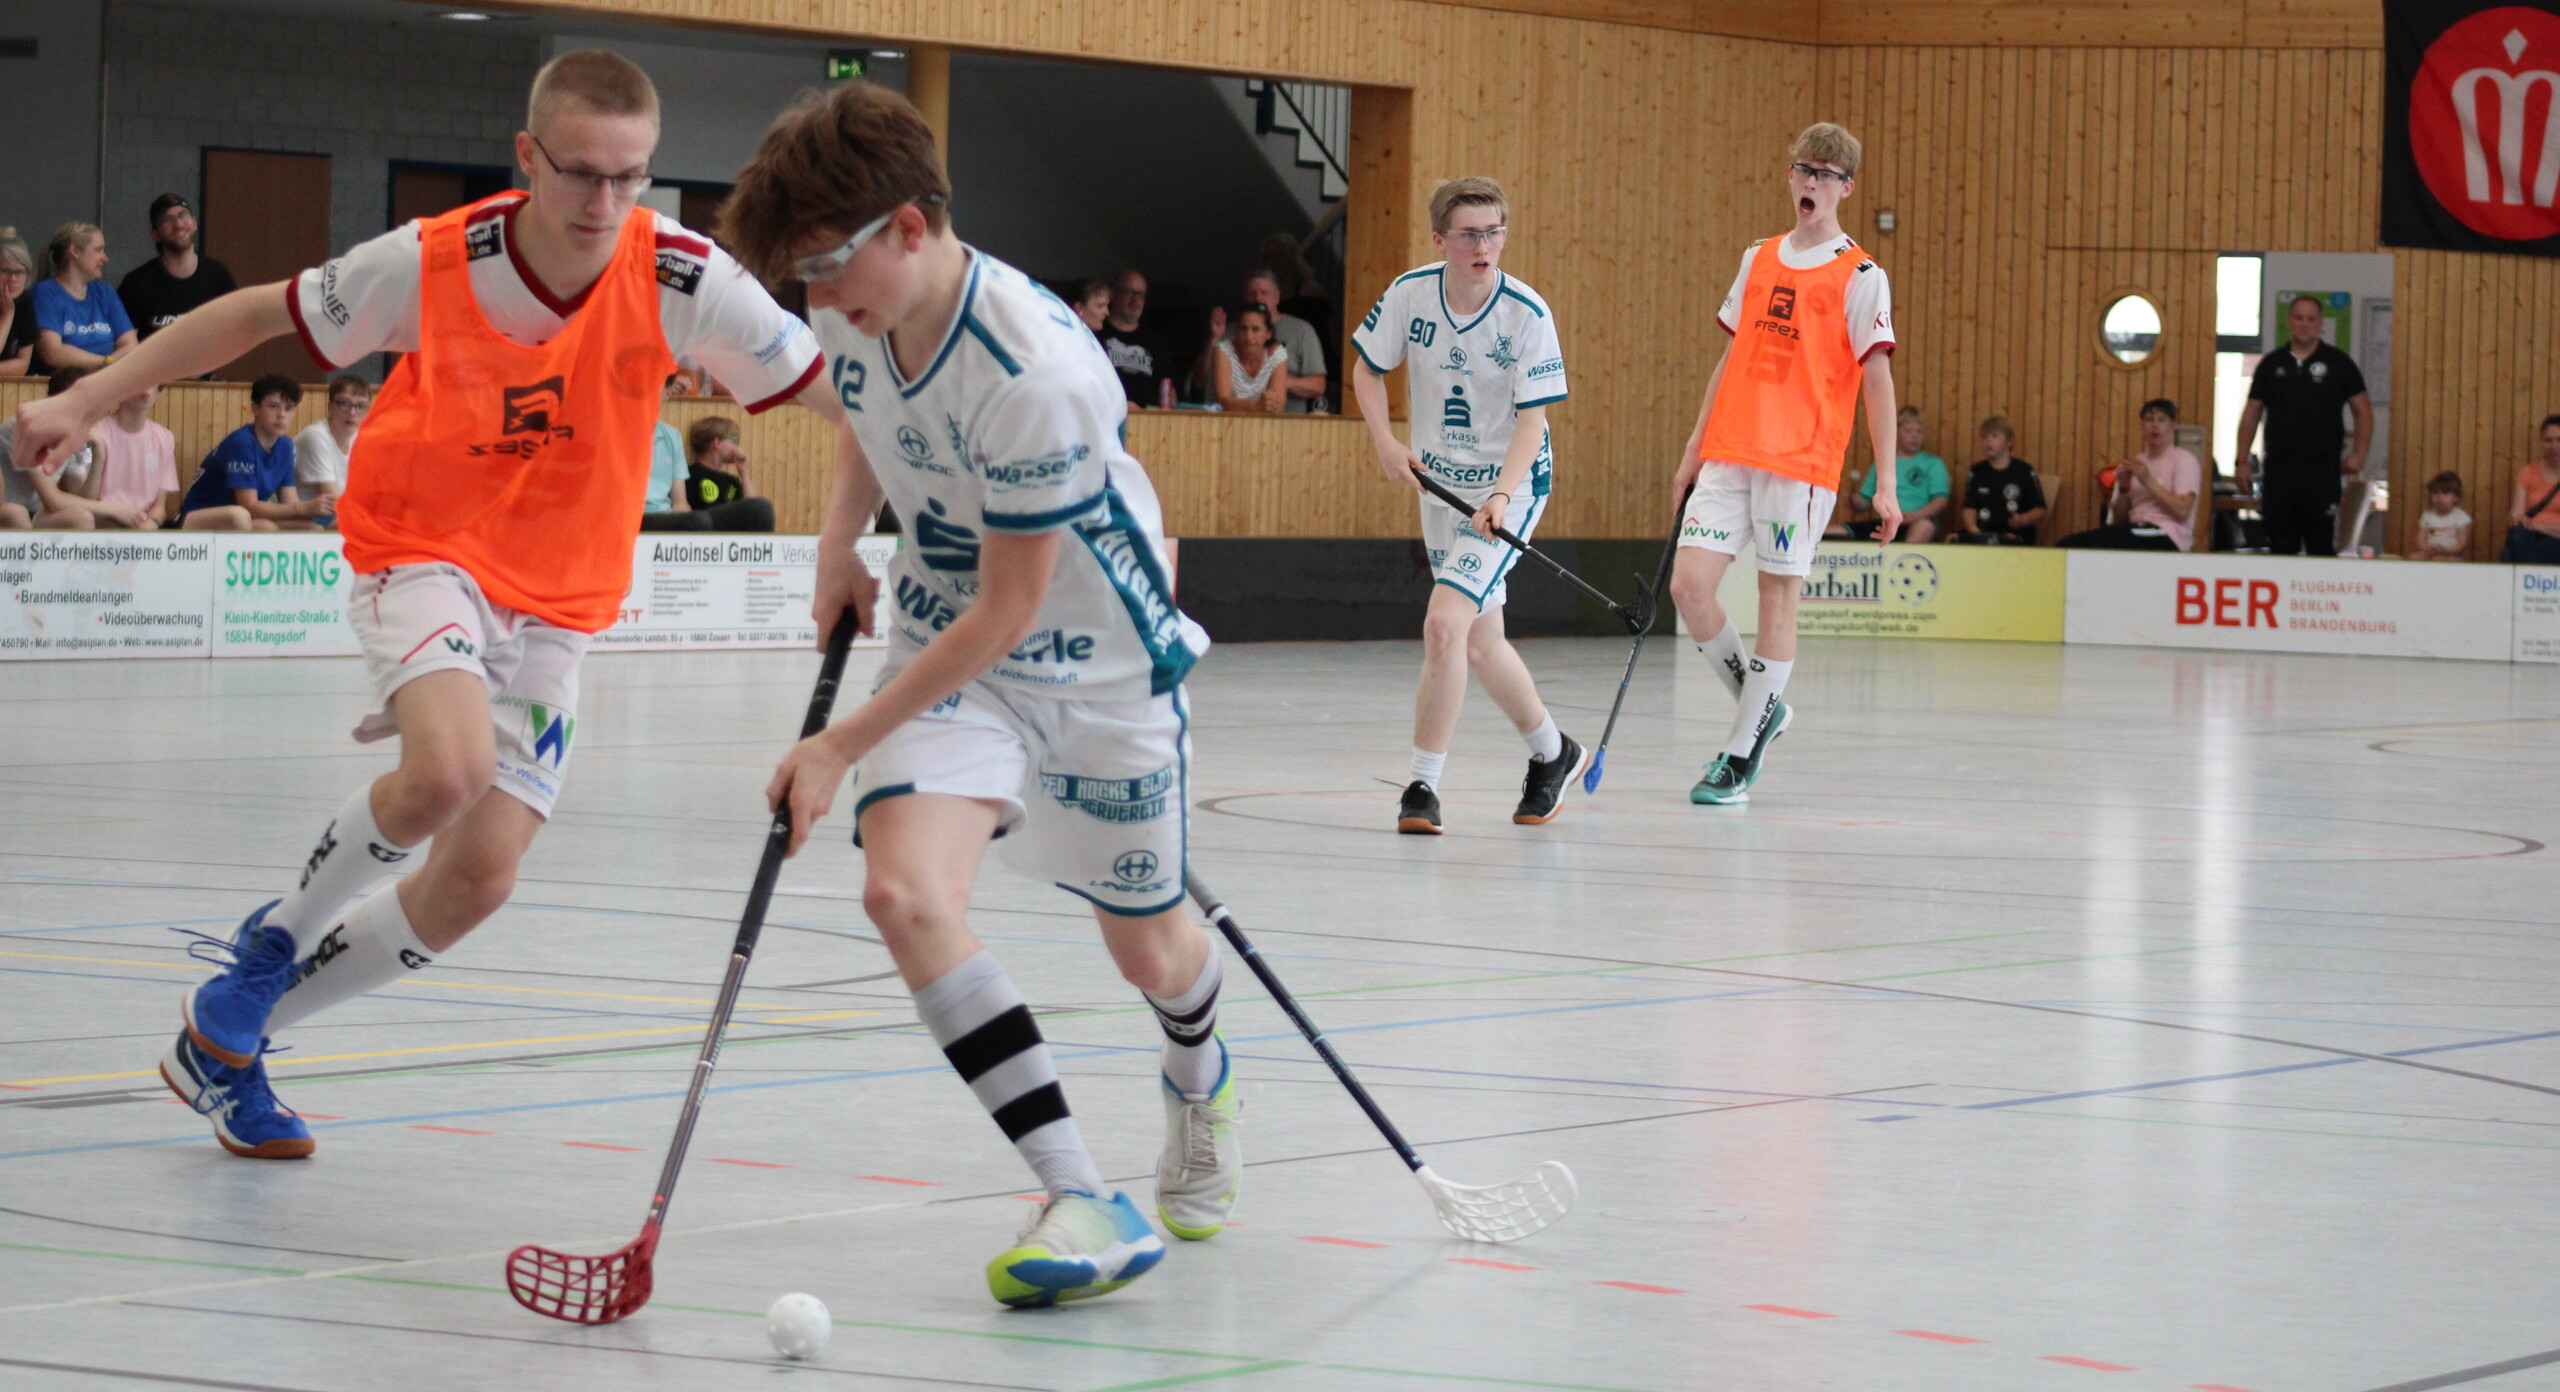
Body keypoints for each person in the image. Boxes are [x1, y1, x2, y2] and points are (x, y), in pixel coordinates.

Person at [9, 50, 828, 1166]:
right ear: (527, 157)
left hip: (560, 602)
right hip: (423, 547)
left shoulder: (686, 275)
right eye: (581, 173)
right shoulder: (437, 262)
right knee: (447, 773)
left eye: (630, 178)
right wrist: (90, 396)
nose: (604, 204)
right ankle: (270, 946)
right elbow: (253, 313)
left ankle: (227, 1041)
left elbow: (846, 394)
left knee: (478, 880)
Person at [724, 81, 1223, 1309]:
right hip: (953, 654)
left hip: (1098, 670)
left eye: (828, 267)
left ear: (907, 225)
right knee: (901, 890)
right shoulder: (856, 304)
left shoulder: (1035, 367)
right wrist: (841, 542)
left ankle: (1198, 1069)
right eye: (800, 280)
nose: (816, 303)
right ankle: (1079, 1192)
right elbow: (859, 405)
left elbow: (1014, 610)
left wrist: (838, 743)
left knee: (1150, 954)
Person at [1666, 122, 1900, 806]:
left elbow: (1877, 380)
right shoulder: (1757, 256)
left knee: (1776, 597)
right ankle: (1764, 707)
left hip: (1800, 460)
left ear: (1846, 188)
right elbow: (1729, 358)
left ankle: (1740, 754)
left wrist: (1885, 484)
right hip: (1731, 449)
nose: (1811, 183)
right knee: (1690, 587)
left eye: (1826, 175)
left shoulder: (1860, 275)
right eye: (1804, 169)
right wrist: (1692, 449)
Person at [1349, 176, 1581, 833]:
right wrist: (1385, 442)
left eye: (1495, 230)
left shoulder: (1526, 315)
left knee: (1445, 623)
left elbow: (1533, 425)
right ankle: (1552, 753)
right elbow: (1367, 368)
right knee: (1480, 645)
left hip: (1511, 485)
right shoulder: (1409, 294)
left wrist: (1503, 496)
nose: (1485, 245)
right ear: (1441, 240)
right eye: (1471, 233)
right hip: (1437, 484)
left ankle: (1421, 788)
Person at [2236, 295, 2371, 556]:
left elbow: (2363, 410)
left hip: (2323, 474)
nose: (2304, 324)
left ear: (2321, 323)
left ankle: (2317, 598)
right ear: (2289, 321)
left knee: (2320, 545)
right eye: (2299, 318)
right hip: (2278, 473)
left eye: (2311, 319)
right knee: (2281, 546)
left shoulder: (2339, 363)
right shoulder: (2271, 364)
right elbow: (2252, 412)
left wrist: (2359, 454)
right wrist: (2242, 461)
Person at [179, 374, 326, 530]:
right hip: (197, 516)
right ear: (255, 408)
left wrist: (320, 510)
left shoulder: (286, 446)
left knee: (312, 529)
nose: (281, 415)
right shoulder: (242, 442)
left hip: (244, 519)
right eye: (273, 406)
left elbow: (290, 503)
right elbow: (249, 505)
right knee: (256, 523)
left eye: (288, 408)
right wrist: (302, 509)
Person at [2058, 399, 2201, 551]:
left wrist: (2147, 480)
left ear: (2173, 426)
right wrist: (2124, 489)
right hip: (2136, 528)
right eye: (2149, 420)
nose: (2154, 425)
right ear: (2142, 426)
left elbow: (2183, 511)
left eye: (2161, 419)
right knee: (2071, 543)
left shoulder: (2184, 460)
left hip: (2168, 533)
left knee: (2086, 543)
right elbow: (2119, 520)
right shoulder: (2138, 461)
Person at [0, 366, 124, 529]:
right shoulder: (25, 427)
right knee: (18, 515)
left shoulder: (77, 433)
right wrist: (111, 508)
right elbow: (52, 500)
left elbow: (83, 498)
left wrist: (99, 454)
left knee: (82, 518)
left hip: (36, 513)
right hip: (8, 510)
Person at [116, 194, 240, 341]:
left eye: (183, 215)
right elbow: (125, 345)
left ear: (194, 223)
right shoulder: (136, 284)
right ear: (155, 235)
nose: (179, 225)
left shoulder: (218, 275)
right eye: (167, 220)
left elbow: (237, 328)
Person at [1200, 270, 1326, 413]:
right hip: (1231, 419)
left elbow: (1319, 386)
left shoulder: (1301, 330)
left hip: (1287, 417)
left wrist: (1277, 381)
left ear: (1277, 296)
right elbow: (1201, 381)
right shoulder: (1227, 334)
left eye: (1264, 293)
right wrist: (1215, 338)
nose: (1257, 298)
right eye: (1251, 293)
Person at [30, 222, 138, 373]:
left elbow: (131, 345)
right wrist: (105, 362)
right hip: (63, 387)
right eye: (98, 250)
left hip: (106, 383)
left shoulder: (105, 293)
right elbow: (52, 353)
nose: (105, 258)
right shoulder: (45, 293)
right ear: (75, 250)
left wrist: (107, 366)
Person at [80, 381, 186, 529]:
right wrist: (99, 457)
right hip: (101, 527)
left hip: (141, 529)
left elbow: (159, 506)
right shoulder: (96, 434)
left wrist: (151, 524)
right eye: (138, 379)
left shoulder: (165, 438)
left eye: (152, 379)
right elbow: (84, 503)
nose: (145, 386)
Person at [1837, 405, 1945, 541]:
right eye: (1908, 430)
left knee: (1925, 527)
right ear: (1896, 432)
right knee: (1835, 531)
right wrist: (1854, 502)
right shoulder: (1882, 463)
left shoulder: (1933, 463)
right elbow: (1865, 501)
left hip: (1916, 523)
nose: (1914, 435)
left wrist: (1915, 515)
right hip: (1884, 525)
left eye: (1919, 431)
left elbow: (1940, 501)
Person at [1951, 414, 2044, 544]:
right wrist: (1973, 530)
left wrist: (2023, 519)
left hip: (2015, 534)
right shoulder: (1977, 471)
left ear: (2009, 441)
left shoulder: (2024, 470)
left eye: (1994, 436)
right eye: (1984, 437)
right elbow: (1969, 508)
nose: (1988, 441)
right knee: (1952, 539)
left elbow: (2039, 509)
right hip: (1983, 532)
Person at [682, 414, 775, 530]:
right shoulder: (690, 475)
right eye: (734, 441)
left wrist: (744, 472)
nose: (737, 447)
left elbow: (753, 509)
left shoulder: (732, 481)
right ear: (718, 443)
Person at [1096, 269, 1175, 407]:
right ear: (1113, 293)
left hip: (1148, 421)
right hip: (1107, 417)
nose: (1135, 300)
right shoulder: (1096, 335)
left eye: (1141, 294)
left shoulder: (1154, 341)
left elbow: (1170, 388)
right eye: (1129, 292)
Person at [293, 374, 371, 508]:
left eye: (360, 406)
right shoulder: (316, 437)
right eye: (344, 404)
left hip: (330, 516)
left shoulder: (360, 438)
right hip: (306, 518)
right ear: (330, 407)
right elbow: (333, 499)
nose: (352, 412)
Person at [1209, 304, 1289, 414]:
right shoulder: (1224, 350)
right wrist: (1257, 406)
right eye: (1243, 329)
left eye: (1255, 329)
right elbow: (1223, 400)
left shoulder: (1277, 354)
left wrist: (1270, 404)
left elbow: (1278, 405)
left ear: (1268, 333)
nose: (1248, 336)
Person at [2504, 415, 2560, 564]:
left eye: (2559, 440)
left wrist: (2536, 526)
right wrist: (2523, 522)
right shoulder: (2528, 472)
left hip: (2554, 539)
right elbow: (2515, 516)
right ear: (2542, 442)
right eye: (2548, 440)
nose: (2554, 445)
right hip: (2530, 537)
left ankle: (2528, 579)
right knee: (2517, 536)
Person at [2413, 471, 2471, 562]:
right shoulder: (2427, 516)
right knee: (2413, 558)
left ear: (2456, 497)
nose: (2439, 497)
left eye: (2445, 493)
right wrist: (2426, 549)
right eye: (2435, 493)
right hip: (2430, 552)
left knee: (2439, 559)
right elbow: (2420, 539)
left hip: (2453, 554)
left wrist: (2446, 551)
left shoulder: (2461, 517)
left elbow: (2462, 543)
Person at [0, 229, 35, 376]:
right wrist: (7, 316)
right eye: (5, 271)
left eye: (19, 272)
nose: (13, 279)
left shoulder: (23, 301)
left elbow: (22, 364)